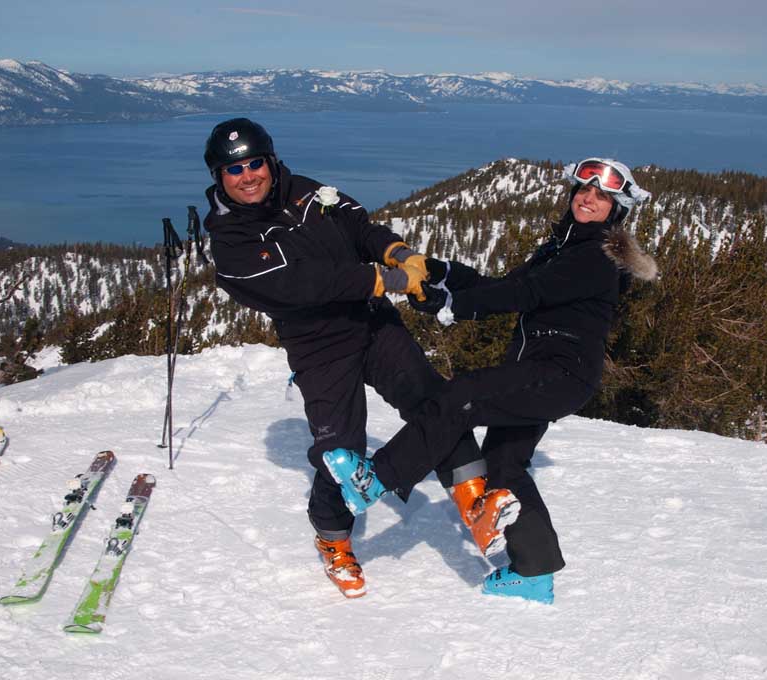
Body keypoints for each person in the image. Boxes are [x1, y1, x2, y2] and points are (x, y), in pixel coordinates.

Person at [201, 118, 519, 599]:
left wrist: (398, 253)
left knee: (435, 402)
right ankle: (333, 540)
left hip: (371, 322)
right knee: (341, 453)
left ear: (270, 160)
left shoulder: (306, 193)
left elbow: (357, 225)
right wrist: (386, 280)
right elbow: (306, 283)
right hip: (318, 343)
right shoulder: (232, 246)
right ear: (218, 176)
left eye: (254, 163)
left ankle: (475, 504)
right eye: (233, 169)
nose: (247, 176)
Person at [324, 157, 658, 604]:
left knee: (458, 397)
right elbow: (499, 282)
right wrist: (441, 275)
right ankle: (534, 572)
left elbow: (526, 295)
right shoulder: (565, 247)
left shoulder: (596, 258)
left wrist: (454, 309)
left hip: (557, 374)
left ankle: (376, 479)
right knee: (504, 461)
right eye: (583, 190)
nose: (588, 199)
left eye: (601, 196)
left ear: (617, 209)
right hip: (547, 372)